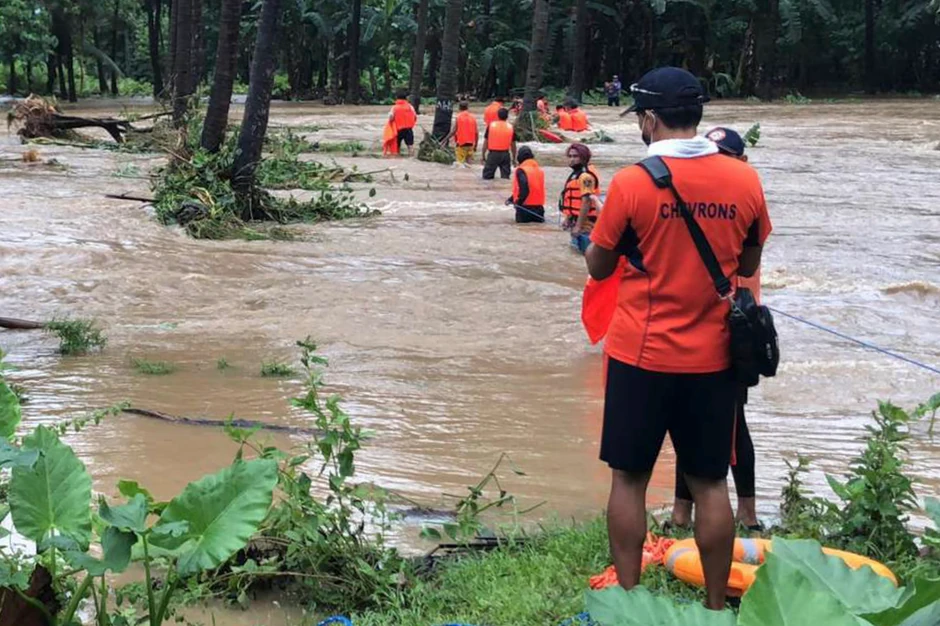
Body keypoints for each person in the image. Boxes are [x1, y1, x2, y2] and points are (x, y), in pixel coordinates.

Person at [583, 67, 772, 611]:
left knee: (629, 478)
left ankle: (628, 600)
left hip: (640, 355)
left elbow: (598, 268)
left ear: (648, 118)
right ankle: (716, 605)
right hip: (713, 357)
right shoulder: (744, 180)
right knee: (711, 482)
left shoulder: (632, 183)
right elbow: (749, 261)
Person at [671, 126, 760, 531]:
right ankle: (680, 511)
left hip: (734, 323)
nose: (715, 162)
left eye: (724, 155)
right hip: (694, 322)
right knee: (684, 419)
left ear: (741, 161)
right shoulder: (715, 193)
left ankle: (748, 512)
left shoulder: (745, 193)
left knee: (733, 422)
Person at [560, 143, 602, 253]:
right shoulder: (575, 175)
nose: (572, 160)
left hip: (587, 226)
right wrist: (568, 218)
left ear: (583, 158)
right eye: (570, 156)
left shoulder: (585, 177)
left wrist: (578, 226)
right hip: (577, 223)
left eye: (575, 156)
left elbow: (586, 201)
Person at [505, 146, 546, 223]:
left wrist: (518, 203)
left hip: (525, 209)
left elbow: (524, 190)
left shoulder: (521, 170)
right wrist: (511, 199)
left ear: (519, 157)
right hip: (539, 209)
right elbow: (533, 188)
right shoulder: (539, 170)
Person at [481, 107, 516, 180]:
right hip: (505, 155)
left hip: (493, 155)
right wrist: (514, 158)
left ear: (497, 115)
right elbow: (513, 145)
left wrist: (483, 155)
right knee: (505, 178)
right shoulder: (510, 127)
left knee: (487, 177)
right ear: (507, 116)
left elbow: (485, 142)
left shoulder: (491, 126)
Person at [446, 100, 479, 168]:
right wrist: (475, 146)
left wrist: (444, 140)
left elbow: (453, 131)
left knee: (460, 166)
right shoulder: (473, 118)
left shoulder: (458, 117)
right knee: (469, 166)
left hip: (461, 144)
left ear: (459, 108)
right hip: (471, 145)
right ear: (467, 107)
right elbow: (476, 133)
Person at [388, 90, 417, 156]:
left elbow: (390, 117)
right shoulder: (410, 107)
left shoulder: (394, 107)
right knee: (410, 146)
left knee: (397, 147)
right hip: (408, 129)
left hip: (398, 130)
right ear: (406, 98)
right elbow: (415, 116)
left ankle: (397, 158)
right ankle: (411, 157)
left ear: (397, 98)